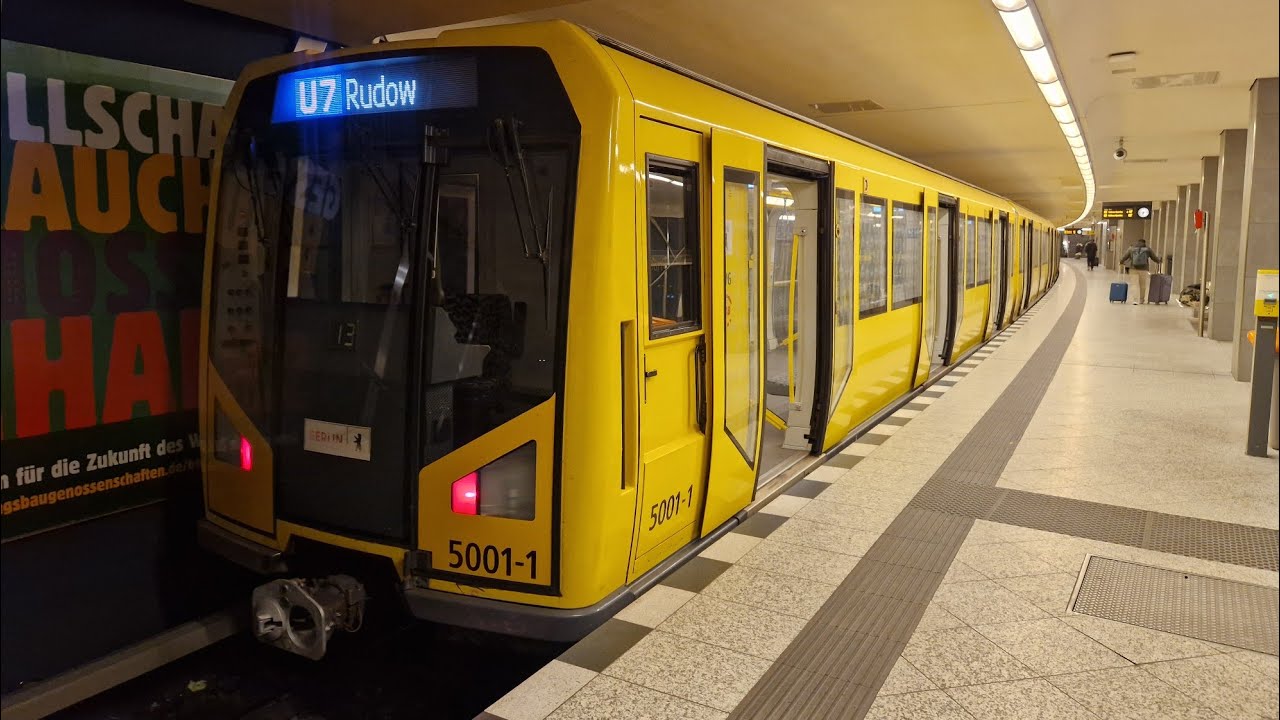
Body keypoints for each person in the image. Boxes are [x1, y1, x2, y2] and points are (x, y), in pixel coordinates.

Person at [1119, 238, 1163, 304]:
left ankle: (1135, 300)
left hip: (1133, 268)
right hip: (1144, 269)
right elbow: (1154, 258)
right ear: (1144, 243)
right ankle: (1141, 300)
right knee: (1143, 285)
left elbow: (1125, 257)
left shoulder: (1131, 248)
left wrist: (1121, 262)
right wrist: (1159, 261)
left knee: (1134, 284)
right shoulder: (1148, 249)